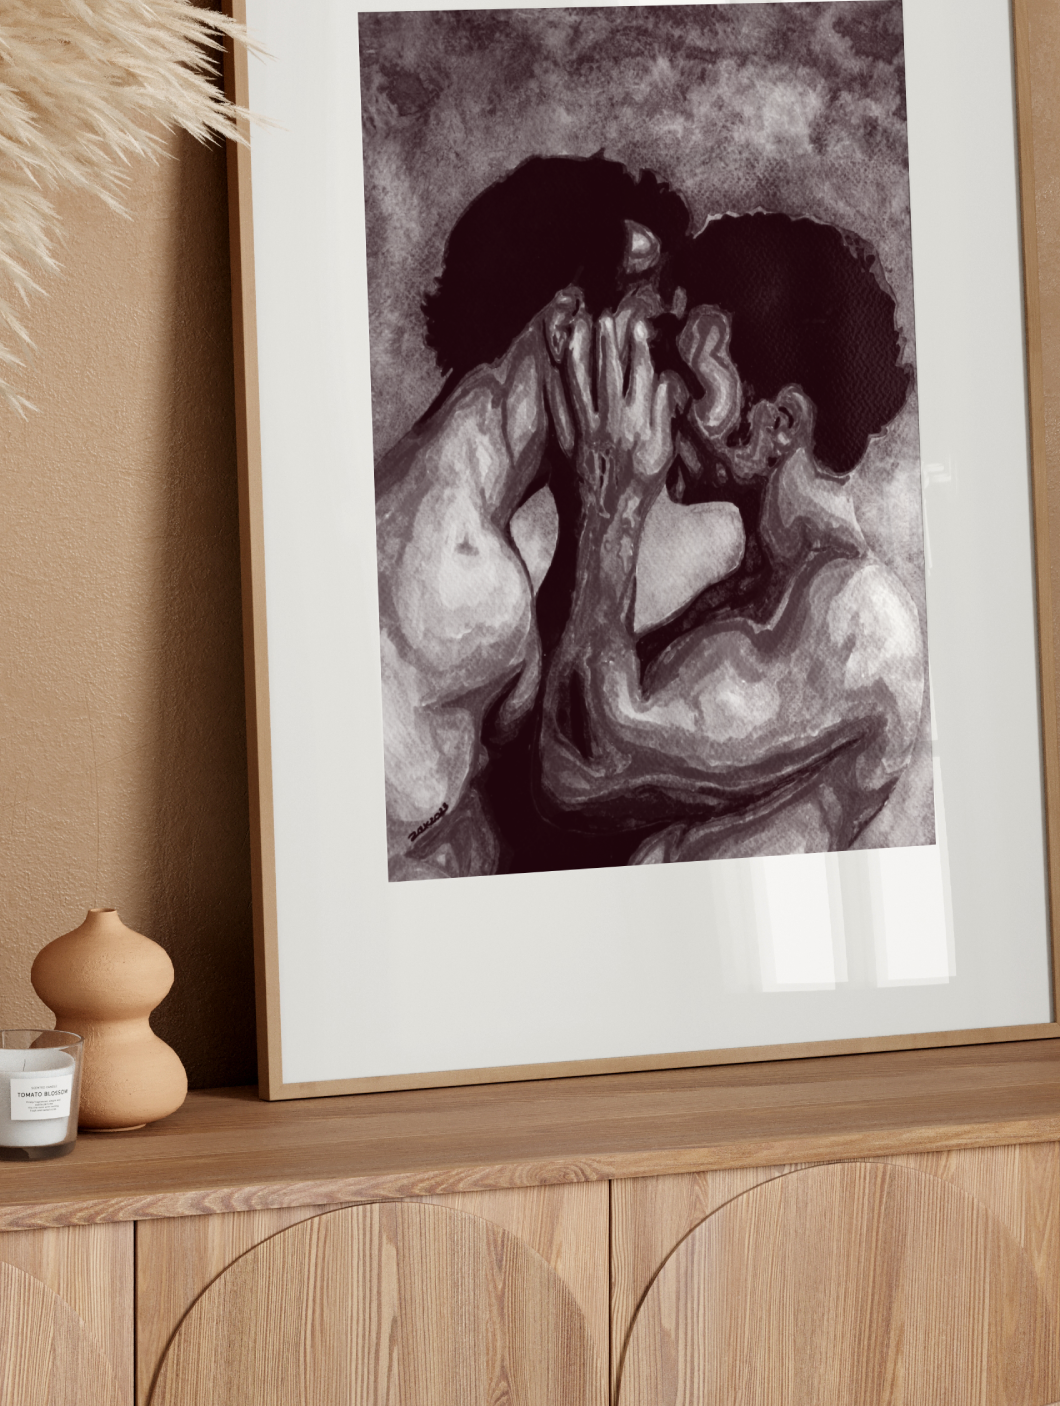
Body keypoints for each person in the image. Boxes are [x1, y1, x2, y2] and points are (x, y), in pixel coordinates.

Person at [535, 210, 928, 860]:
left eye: (691, 381)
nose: (665, 401)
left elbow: (583, 766)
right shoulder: (757, 591)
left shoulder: (860, 616)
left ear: (780, 423)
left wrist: (610, 506)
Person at [376, 154, 691, 878]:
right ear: (565, 329)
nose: (665, 378)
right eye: (646, 332)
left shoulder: (453, 513)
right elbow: (557, 777)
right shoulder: (467, 572)